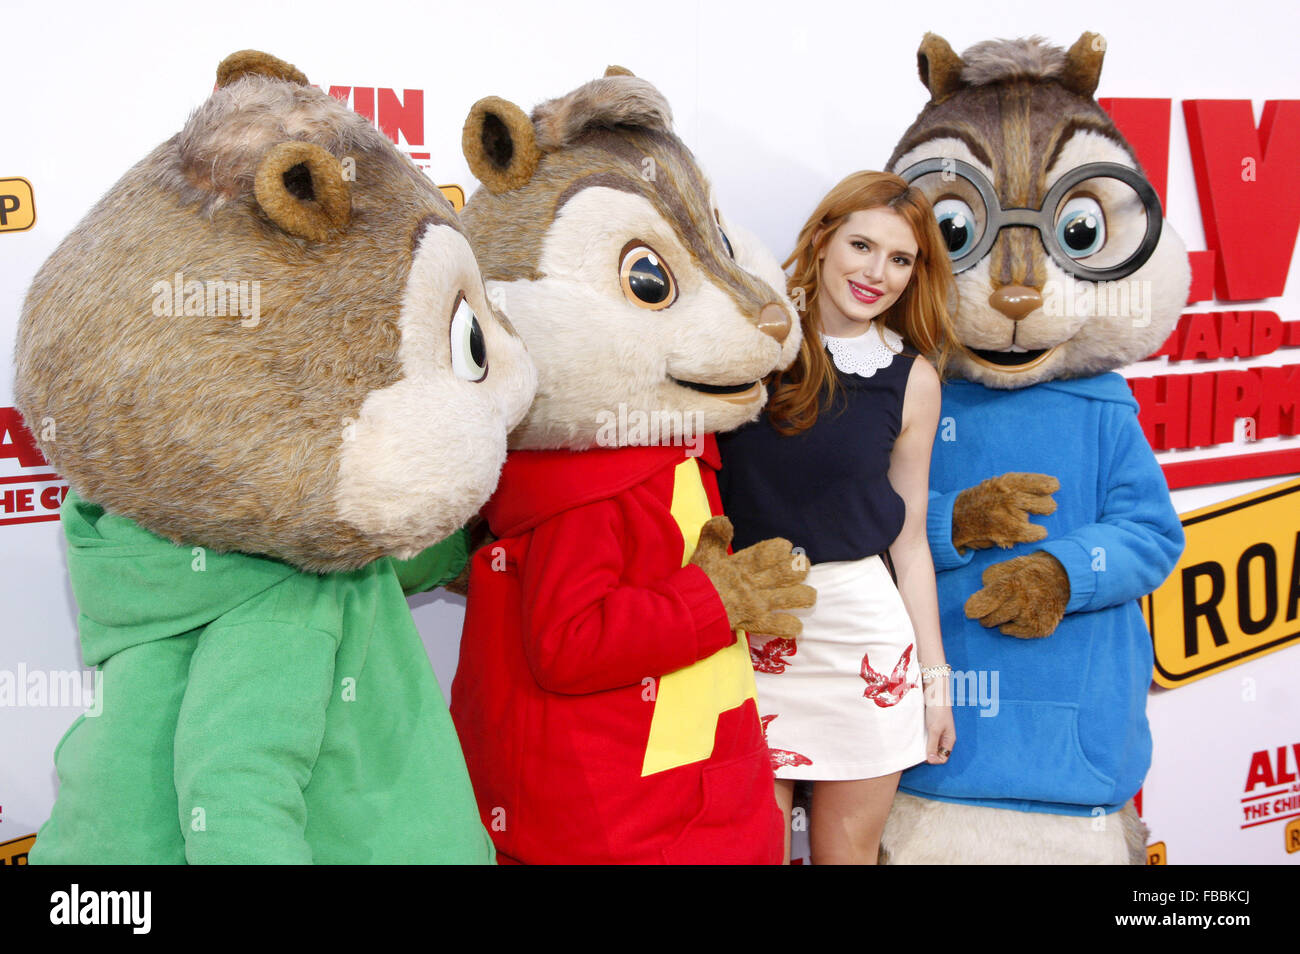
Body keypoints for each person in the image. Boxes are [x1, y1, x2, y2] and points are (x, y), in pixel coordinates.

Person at [717, 170, 960, 864]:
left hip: (862, 642)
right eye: (861, 245)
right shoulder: (750, 347)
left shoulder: (912, 378)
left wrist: (935, 690)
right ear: (822, 239)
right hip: (745, 632)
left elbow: (909, 546)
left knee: (847, 857)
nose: (876, 273)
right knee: (748, 849)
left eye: (900, 259)